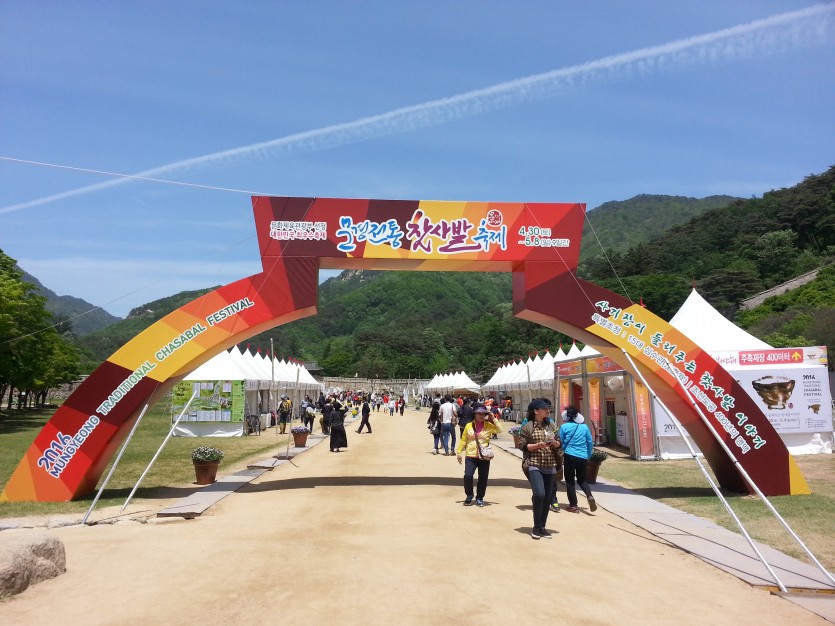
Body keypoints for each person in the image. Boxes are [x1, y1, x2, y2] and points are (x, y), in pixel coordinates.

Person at [517, 398, 561, 539]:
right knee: (539, 494)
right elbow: (522, 445)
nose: (548, 410)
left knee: (547, 498)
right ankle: (536, 527)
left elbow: (559, 442)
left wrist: (556, 444)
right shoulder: (528, 427)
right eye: (545, 408)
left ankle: (542, 527)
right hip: (534, 464)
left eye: (549, 408)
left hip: (550, 464)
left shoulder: (551, 424)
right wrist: (537, 445)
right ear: (536, 411)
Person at [456, 403, 502, 506]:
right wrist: (459, 452)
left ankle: (480, 497)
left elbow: (500, 430)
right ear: (474, 414)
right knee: (468, 476)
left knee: (483, 478)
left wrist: (493, 418)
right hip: (471, 456)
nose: (481, 416)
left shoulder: (489, 426)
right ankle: (469, 495)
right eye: (479, 413)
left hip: (484, 456)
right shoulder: (468, 426)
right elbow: (464, 440)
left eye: (483, 414)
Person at [559, 405, 597, 513]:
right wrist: (588, 455)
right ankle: (589, 495)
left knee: (570, 481)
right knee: (582, 480)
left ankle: (573, 505)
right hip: (582, 456)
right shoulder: (584, 427)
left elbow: (561, 442)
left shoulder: (563, 427)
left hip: (569, 455)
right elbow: (590, 442)